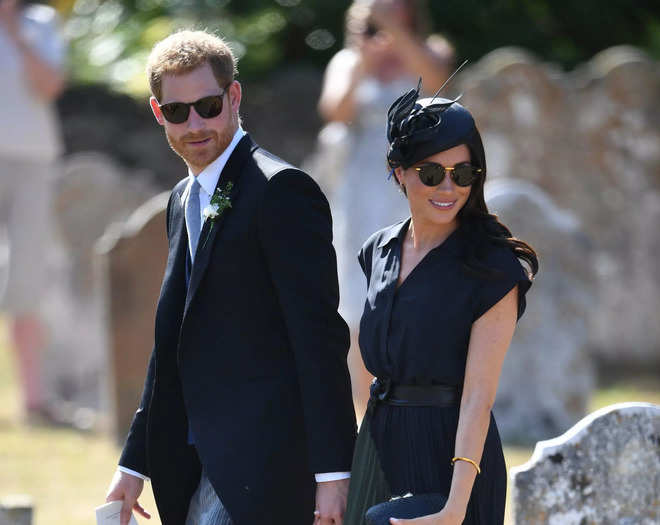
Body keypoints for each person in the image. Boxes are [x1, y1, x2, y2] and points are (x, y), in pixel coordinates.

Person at [104, 30, 357, 525]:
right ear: (159, 115)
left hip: (266, 468)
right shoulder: (180, 200)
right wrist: (134, 463)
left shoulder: (283, 192)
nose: (195, 123)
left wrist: (333, 474)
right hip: (192, 464)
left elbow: (320, 338)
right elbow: (171, 343)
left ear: (234, 96)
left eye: (208, 105)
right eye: (177, 111)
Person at [344, 81, 539, 524]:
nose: (449, 187)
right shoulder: (378, 249)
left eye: (463, 173)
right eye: (431, 173)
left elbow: (477, 399)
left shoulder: (493, 267)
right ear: (399, 172)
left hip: (453, 461)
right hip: (379, 444)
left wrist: (455, 507)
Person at [315, 0, 453, 414]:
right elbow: (334, 111)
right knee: (359, 295)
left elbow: (438, 81)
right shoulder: (348, 60)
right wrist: (361, 57)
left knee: (419, 286)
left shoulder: (431, 49)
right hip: (361, 188)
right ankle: (366, 409)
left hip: (418, 185)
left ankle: (418, 401)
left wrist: (397, 34)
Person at [0, 0, 65, 419]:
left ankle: (34, 400)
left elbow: (49, 86)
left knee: (29, 277)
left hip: (34, 160)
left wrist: (15, 35)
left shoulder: (41, 24)